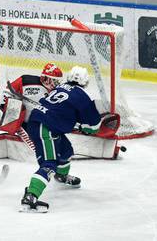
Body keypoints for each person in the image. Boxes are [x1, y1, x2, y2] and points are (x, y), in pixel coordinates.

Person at [20, 66, 102, 213]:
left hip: (41, 122)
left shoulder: (60, 88)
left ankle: (61, 175)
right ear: (86, 82)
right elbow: (94, 126)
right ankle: (30, 196)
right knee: (49, 164)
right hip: (45, 128)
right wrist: (87, 128)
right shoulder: (82, 96)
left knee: (66, 151)